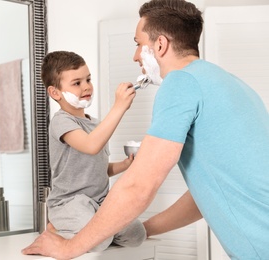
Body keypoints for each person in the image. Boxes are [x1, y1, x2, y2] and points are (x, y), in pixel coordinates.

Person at [22, 0, 269, 259]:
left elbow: (139, 185)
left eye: (138, 44)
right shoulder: (228, 83)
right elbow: (209, 194)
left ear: (160, 45)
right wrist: (138, 230)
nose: (136, 55)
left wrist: (68, 248)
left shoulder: (180, 83)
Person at [41, 51, 146, 252]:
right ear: (55, 93)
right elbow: (91, 145)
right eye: (77, 83)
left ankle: (84, 231)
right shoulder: (61, 121)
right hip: (69, 203)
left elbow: (96, 168)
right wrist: (119, 107)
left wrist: (125, 165)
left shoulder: (95, 125)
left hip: (100, 202)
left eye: (88, 79)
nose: (87, 86)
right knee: (97, 240)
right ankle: (57, 229)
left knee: (136, 235)